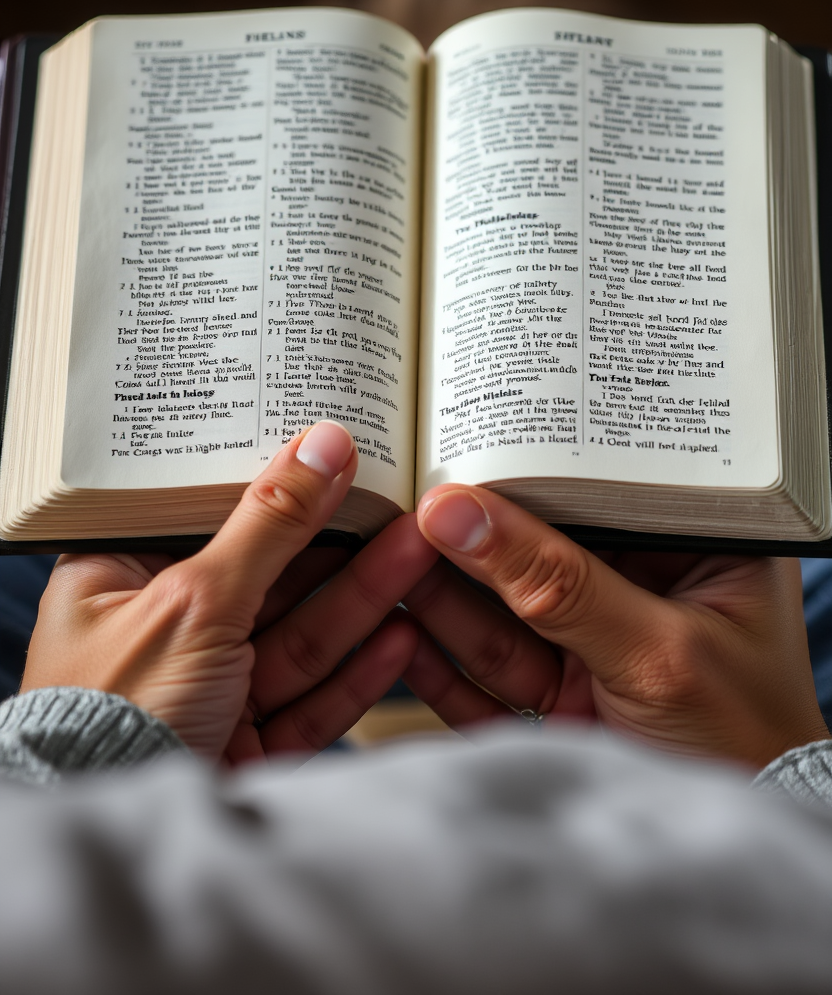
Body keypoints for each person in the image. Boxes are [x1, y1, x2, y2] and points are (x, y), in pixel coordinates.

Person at [1, 419, 832, 993]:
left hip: (154, 799)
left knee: (53, 562)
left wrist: (85, 750)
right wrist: (773, 782)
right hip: (729, 848)